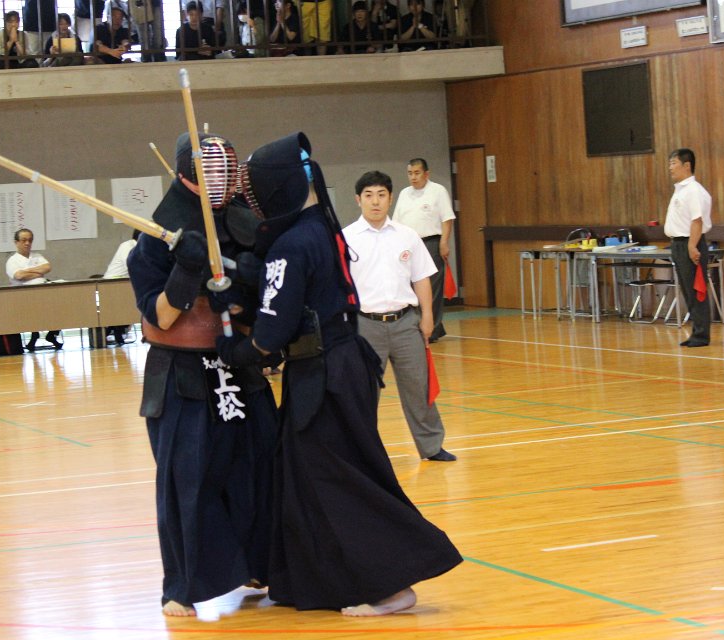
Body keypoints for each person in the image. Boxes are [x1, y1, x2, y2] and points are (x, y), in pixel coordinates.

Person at [217, 132, 462, 615]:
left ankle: (391, 585)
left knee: (338, 478)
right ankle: (311, 579)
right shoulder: (324, 232)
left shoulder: (292, 244)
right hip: (338, 364)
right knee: (305, 475)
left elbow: (271, 333)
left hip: (324, 374)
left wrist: (235, 349)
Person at [126, 132, 277, 618]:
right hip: (182, 372)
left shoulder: (247, 228)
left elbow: (265, 302)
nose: (219, 176)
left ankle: (258, 564)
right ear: (185, 173)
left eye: (224, 168)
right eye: (207, 168)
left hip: (238, 362)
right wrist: (186, 271)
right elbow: (160, 316)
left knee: (257, 466)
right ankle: (182, 585)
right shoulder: (154, 241)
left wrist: (244, 290)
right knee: (187, 478)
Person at [344, 170, 456, 462]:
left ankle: (431, 446)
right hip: (365, 326)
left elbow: (421, 278)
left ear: (391, 198)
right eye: (369, 195)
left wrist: (428, 317)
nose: (375, 201)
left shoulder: (407, 236)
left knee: (419, 386)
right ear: (358, 200)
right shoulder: (345, 238)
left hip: (406, 323)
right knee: (364, 392)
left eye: (381, 195)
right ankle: (362, 451)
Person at [392, 157, 455, 342]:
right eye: (410, 173)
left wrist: (444, 242)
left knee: (432, 287)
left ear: (426, 174)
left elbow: (447, 219)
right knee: (411, 287)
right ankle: (419, 326)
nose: (413, 177)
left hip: (431, 243)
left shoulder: (438, 191)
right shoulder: (404, 193)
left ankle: (432, 330)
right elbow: (396, 222)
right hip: (408, 245)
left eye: (417, 173)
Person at [665, 148, 713, 348]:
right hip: (678, 244)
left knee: (696, 290)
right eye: (669, 163)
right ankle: (696, 332)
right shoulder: (681, 190)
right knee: (687, 290)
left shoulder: (694, 190)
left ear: (687, 165)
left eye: (674, 163)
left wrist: (692, 246)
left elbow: (697, 220)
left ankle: (701, 335)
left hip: (690, 243)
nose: (670, 168)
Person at [5, 228, 63, 351]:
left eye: (30, 240)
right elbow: (19, 276)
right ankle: (34, 335)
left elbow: (47, 268)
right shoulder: (12, 261)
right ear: (16, 242)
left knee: (61, 305)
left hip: (43, 292)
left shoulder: (37, 256)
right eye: (24, 240)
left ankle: (51, 334)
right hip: (23, 296)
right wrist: (38, 272)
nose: (27, 243)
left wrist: (27, 271)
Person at [101, 229, 140, 344]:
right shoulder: (127, 246)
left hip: (126, 283)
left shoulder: (140, 247)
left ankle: (116, 331)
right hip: (113, 283)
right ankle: (114, 331)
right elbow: (130, 265)